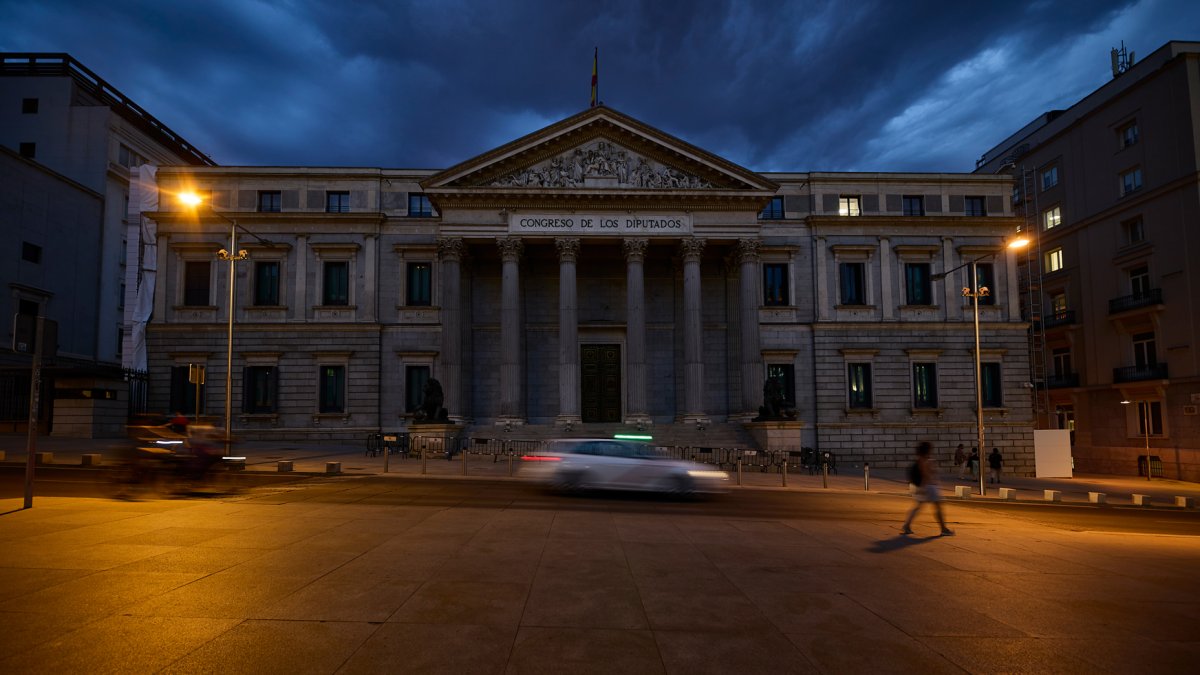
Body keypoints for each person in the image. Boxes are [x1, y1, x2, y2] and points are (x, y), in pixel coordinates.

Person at [901, 441, 953, 536]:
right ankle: (944, 529)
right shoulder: (925, 460)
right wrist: (924, 487)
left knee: (918, 507)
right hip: (930, 487)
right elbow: (925, 475)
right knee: (938, 508)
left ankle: (907, 525)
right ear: (928, 450)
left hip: (926, 486)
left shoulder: (921, 459)